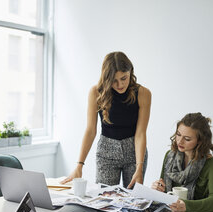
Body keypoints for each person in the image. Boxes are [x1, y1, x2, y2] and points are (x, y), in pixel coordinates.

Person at [61, 51, 151, 189]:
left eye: (124, 78)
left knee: (134, 202)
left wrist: (139, 167)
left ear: (130, 72)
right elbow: (91, 130)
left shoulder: (144, 93)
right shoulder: (96, 92)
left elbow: (140, 133)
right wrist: (79, 165)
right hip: (106, 152)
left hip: (135, 153)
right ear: (106, 78)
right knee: (105, 200)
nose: (120, 84)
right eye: (114, 80)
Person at [151, 112, 213, 212]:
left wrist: (187, 206)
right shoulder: (170, 156)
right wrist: (158, 189)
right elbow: (165, 191)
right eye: (178, 134)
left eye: (187, 139)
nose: (180, 141)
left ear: (200, 141)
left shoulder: (212, 164)